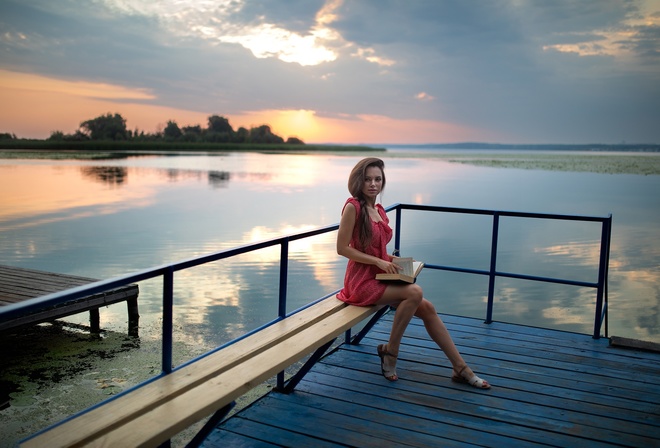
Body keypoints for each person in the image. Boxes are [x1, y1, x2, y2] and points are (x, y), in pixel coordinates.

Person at [336, 157, 490, 388]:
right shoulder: (353, 207)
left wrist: (394, 260)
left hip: (378, 275)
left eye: (378, 179)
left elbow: (377, 250)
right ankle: (391, 352)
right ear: (358, 181)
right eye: (367, 179)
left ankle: (460, 368)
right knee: (414, 292)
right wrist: (379, 261)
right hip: (360, 282)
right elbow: (342, 248)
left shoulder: (378, 210)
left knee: (427, 309)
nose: (373, 184)